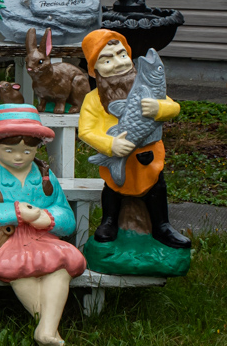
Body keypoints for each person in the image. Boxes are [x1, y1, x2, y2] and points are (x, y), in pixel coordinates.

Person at [0, 103, 86, 346]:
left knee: (63, 264)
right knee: (20, 267)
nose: (18, 157)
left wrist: (48, 218)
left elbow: (66, 215)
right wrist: (16, 212)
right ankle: (48, 328)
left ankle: (45, 328)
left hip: (43, 237)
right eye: (9, 150)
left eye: (27, 151)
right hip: (7, 240)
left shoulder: (45, 175)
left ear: (37, 148)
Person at [78, 30, 190, 249]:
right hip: (117, 155)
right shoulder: (93, 99)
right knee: (112, 188)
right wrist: (111, 145)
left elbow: (173, 107)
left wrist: (159, 108)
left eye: (122, 55)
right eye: (106, 60)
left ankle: (162, 225)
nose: (118, 63)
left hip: (148, 154)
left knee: (157, 186)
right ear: (94, 70)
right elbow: (86, 130)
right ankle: (109, 221)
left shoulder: (147, 87)